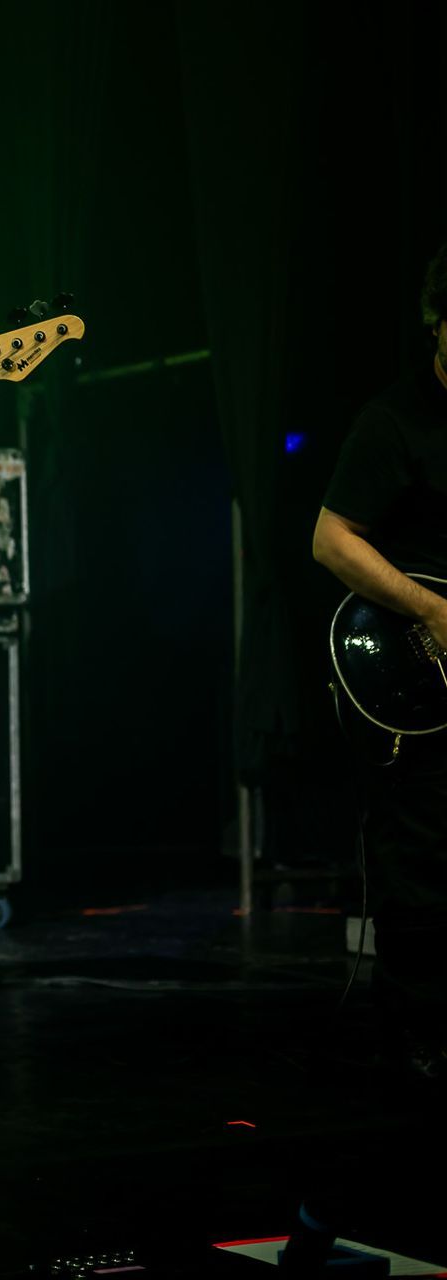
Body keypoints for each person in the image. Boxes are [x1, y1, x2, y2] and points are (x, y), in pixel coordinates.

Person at [312, 240, 447, 1084]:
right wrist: (432, 608)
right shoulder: (395, 420)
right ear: (438, 325)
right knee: (423, 864)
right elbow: (330, 539)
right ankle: (421, 1040)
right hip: (414, 670)